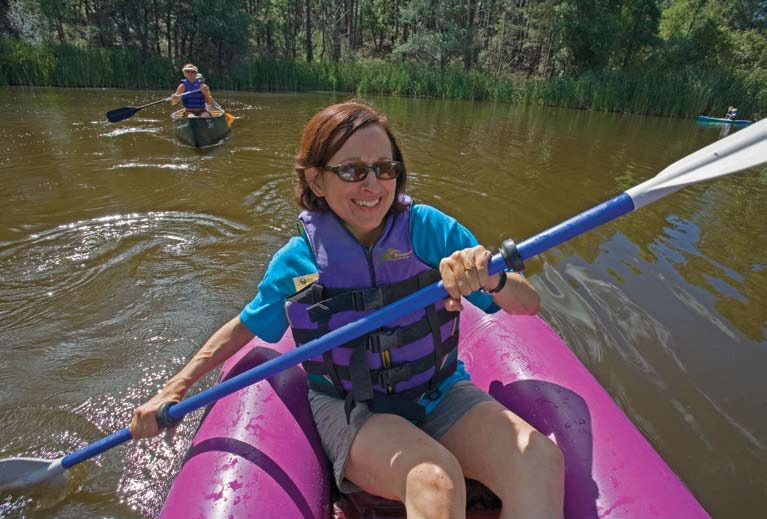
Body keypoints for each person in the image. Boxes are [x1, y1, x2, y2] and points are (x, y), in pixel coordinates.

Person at [131, 100, 564, 518]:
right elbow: (245, 326)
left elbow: (527, 304)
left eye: (385, 168)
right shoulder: (298, 263)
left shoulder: (430, 229)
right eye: (353, 170)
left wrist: (490, 275)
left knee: (540, 460)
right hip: (356, 410)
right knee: (434, 478)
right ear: (317, 181)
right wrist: (177, 386)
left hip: (441, 391)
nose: (373, 186)